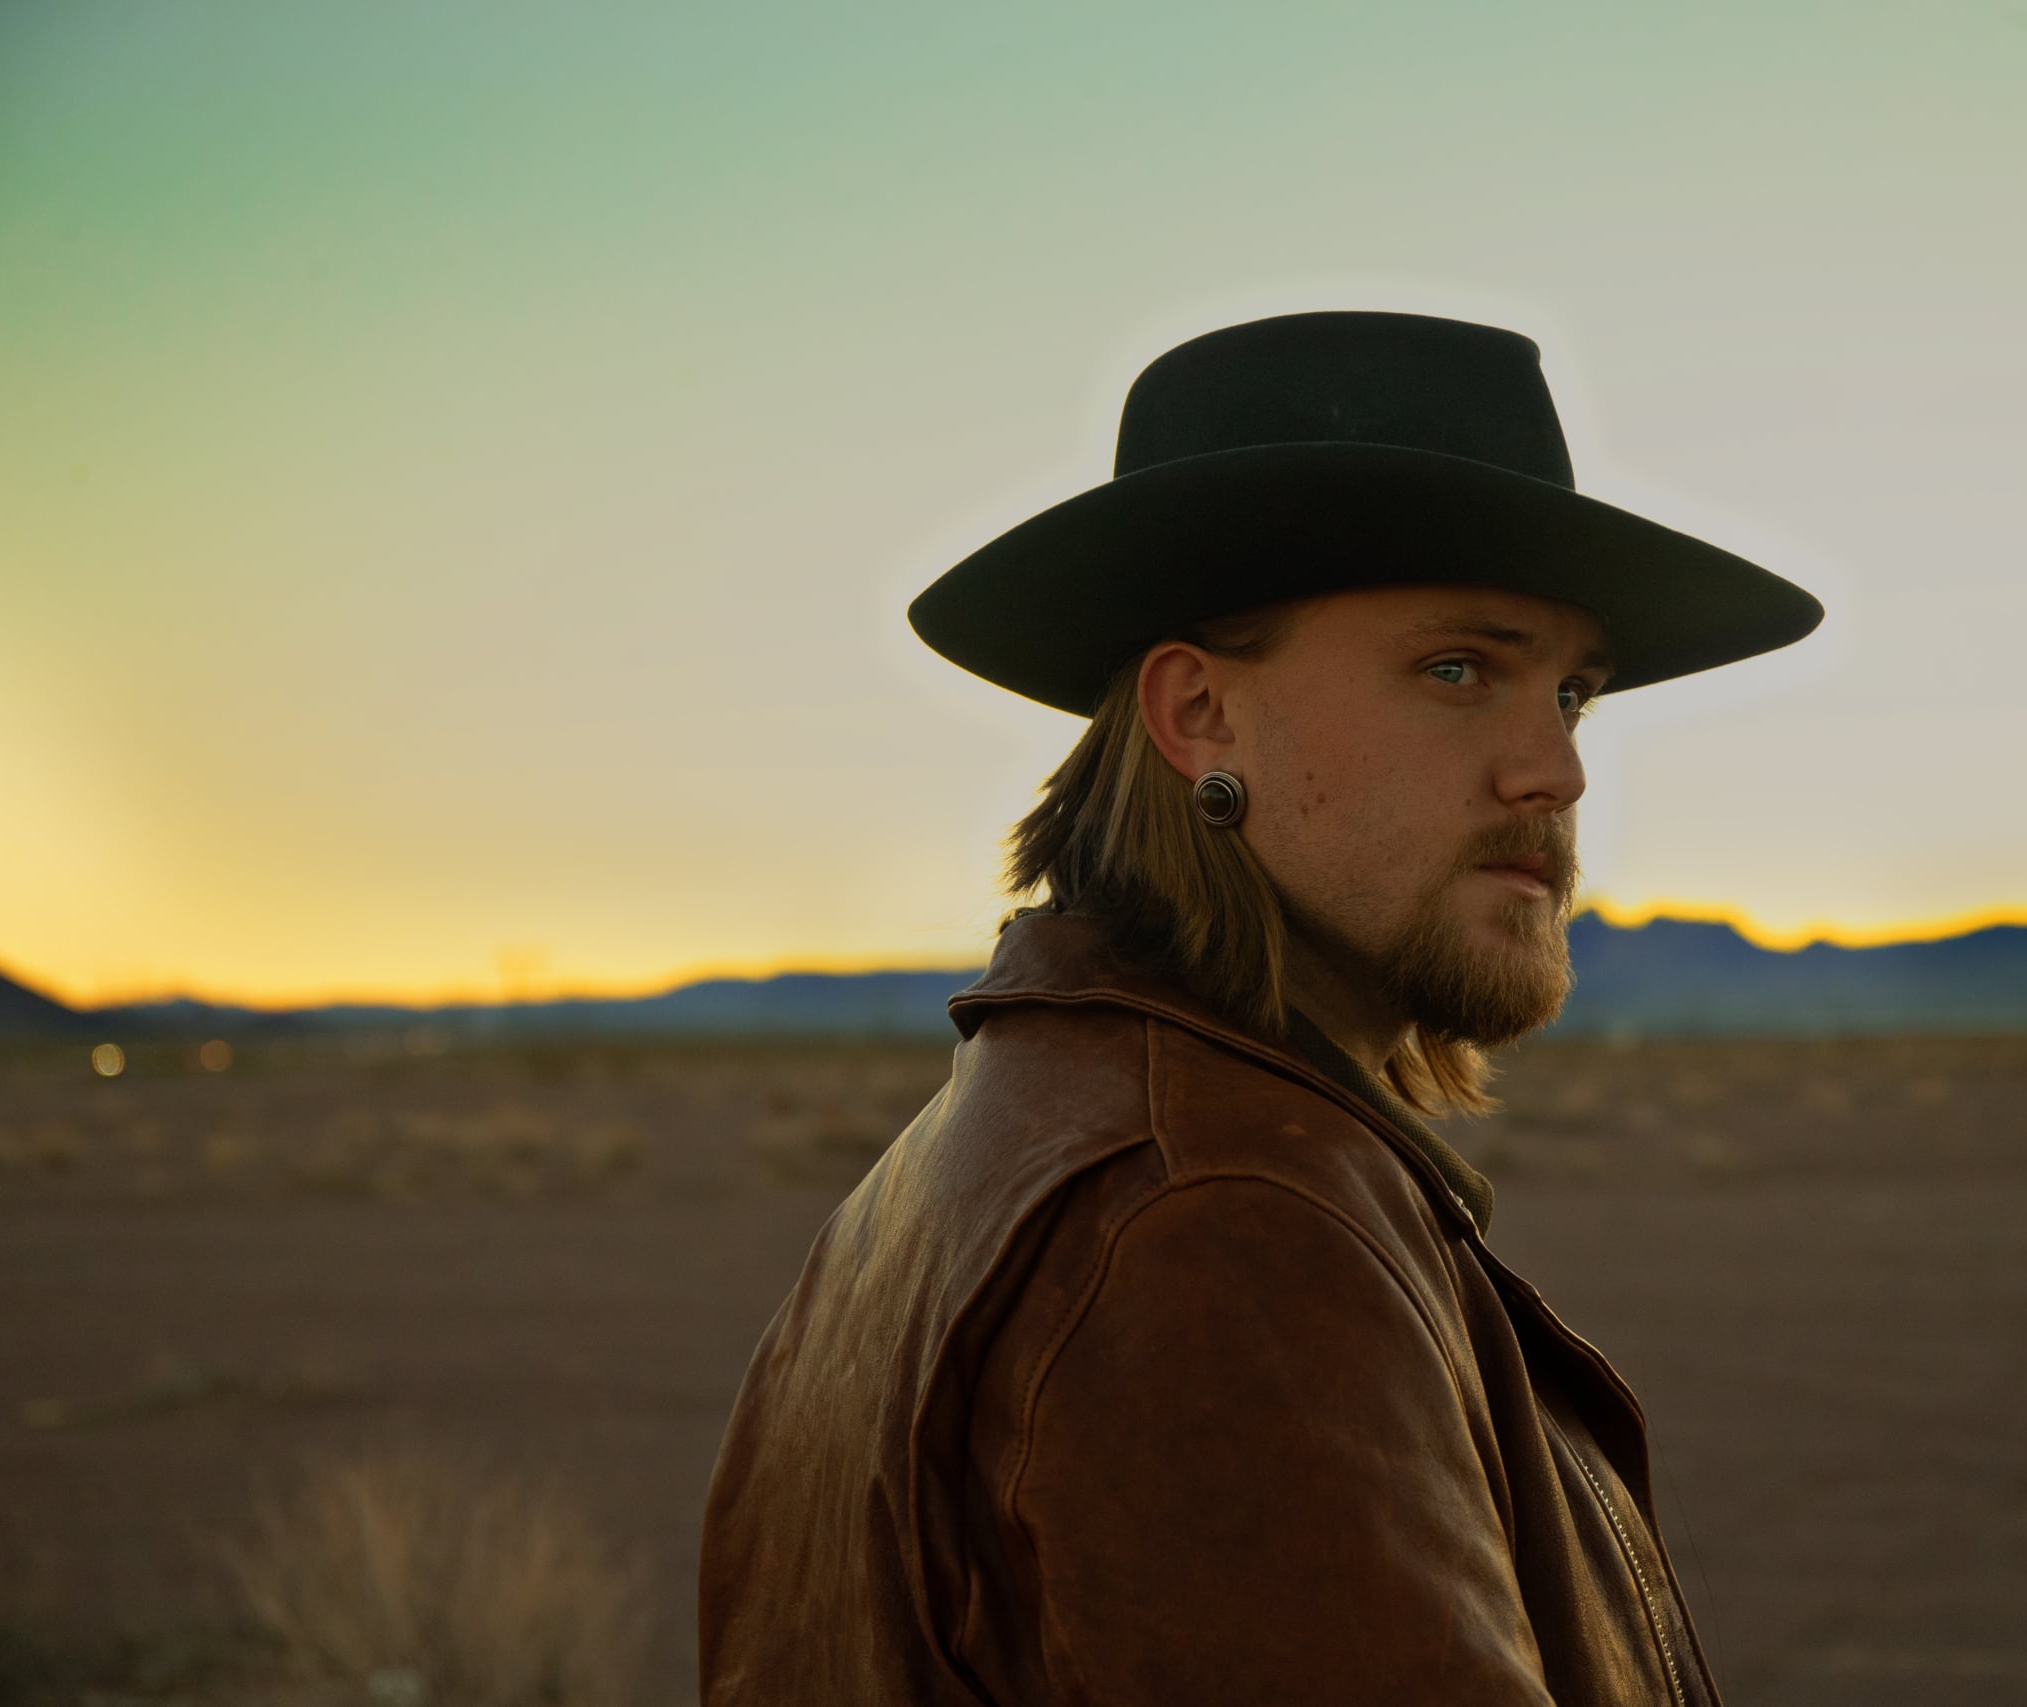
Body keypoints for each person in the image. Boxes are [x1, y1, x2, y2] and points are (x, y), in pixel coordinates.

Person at [699, 310, 1821, 1704]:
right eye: (1458, 670)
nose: (1555, 770)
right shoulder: (1213, 1225)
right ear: (1200, 716)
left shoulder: (1007, 1147)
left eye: (1573, 694)